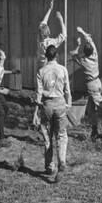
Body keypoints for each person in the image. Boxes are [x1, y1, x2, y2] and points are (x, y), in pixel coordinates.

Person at [33, 45, 71, 180]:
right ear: (57, 55)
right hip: (60, 103)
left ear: (46, 56)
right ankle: (62, 161)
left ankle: (50, 166)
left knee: (47, 136)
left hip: (47, 104)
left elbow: (38, 93)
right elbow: (67, 90)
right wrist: (68, 104)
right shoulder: (63, 69)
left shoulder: (41, 71)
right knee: (61, 135)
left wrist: (35, 112)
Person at [37, 0, 67, 69]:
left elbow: (44, 22)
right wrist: (61, 20)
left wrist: (50, 9)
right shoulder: (51, 43)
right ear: (49, 32)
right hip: (48, 67)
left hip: (40, 66)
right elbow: (64, 35)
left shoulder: (39, 40)